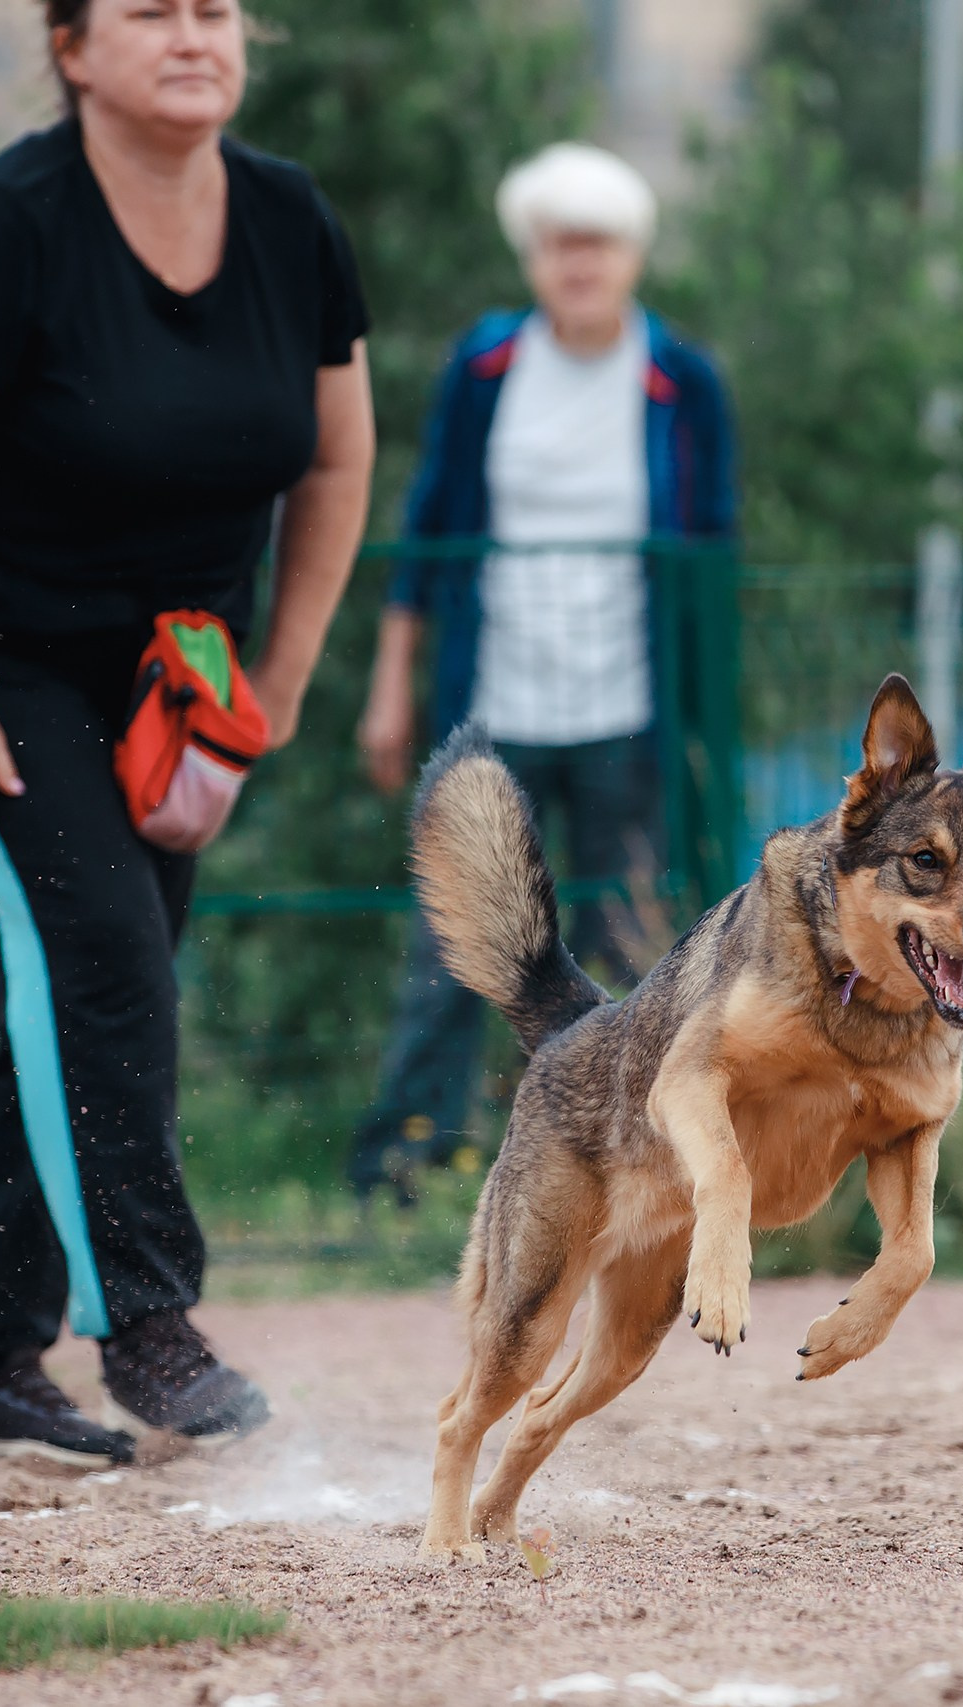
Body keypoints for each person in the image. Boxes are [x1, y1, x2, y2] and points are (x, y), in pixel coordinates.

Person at [0, 0, 373, 1467]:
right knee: (100, 963)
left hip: (160, 666)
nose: (194, 32)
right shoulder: (4, 226)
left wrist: (290, 665)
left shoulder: (289, 218)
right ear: (71, 48)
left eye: (216, 8)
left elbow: (337, 450)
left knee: (85, 986)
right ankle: (149, 1322)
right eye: (149, 10)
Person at [348, 142, 735, 1197]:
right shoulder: (484, 371)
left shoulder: (681, 381)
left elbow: (711, 554)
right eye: (561, 244)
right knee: (457, 941)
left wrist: (703, 714)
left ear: (632, 256)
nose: (580, 264)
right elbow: (428, 529)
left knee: (636, 937)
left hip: (629, 710)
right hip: (498, 702)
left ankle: (639, 1157)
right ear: (532, 257)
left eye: (599, 243)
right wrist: (394, 683)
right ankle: (406, 1160)